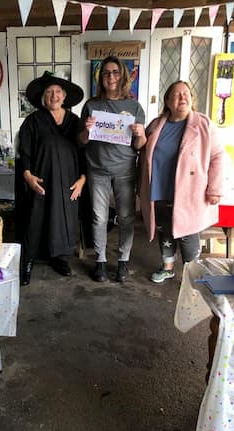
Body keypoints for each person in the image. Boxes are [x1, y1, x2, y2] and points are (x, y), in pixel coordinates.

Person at [138, 80, 224, 283]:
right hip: (159, 189)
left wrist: (215, 189)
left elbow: (218, 156)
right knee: (165, 230)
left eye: (186, 93)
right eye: (176, 95)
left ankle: (192, 273)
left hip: (190, 191)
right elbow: (143, 154)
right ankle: (168, 267)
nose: (182, 97)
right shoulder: (155, 125)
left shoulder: (204, 124)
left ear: (191, 99)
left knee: (188, 233)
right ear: (167, 101)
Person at [79, 56, 147, 283]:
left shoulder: (134, 107)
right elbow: (81, 141)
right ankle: (99, 260)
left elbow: (139, 145)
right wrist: (87, 130)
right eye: (106, 73)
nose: (111, 77)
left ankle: (123, 262)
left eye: (115, 72)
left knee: (127, 217)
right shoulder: (91, 105)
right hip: (97, 169)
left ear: (123, 76)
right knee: (99, 217)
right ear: (101, 77)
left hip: (125, 169)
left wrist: (140, 134)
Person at [15, 72, 86, 286]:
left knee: (63, 220)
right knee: (35, 220)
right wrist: (27, 176)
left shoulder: (75, 122)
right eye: (48, 92)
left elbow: (84, 151)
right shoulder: (33, 121)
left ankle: (59, 258)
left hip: (68, 182)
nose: (53, 96)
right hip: (41, 180)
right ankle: (27, 261)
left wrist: (83, 179)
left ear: (64, 96)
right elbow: (24, 153)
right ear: (43, 97)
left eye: (57, 92)